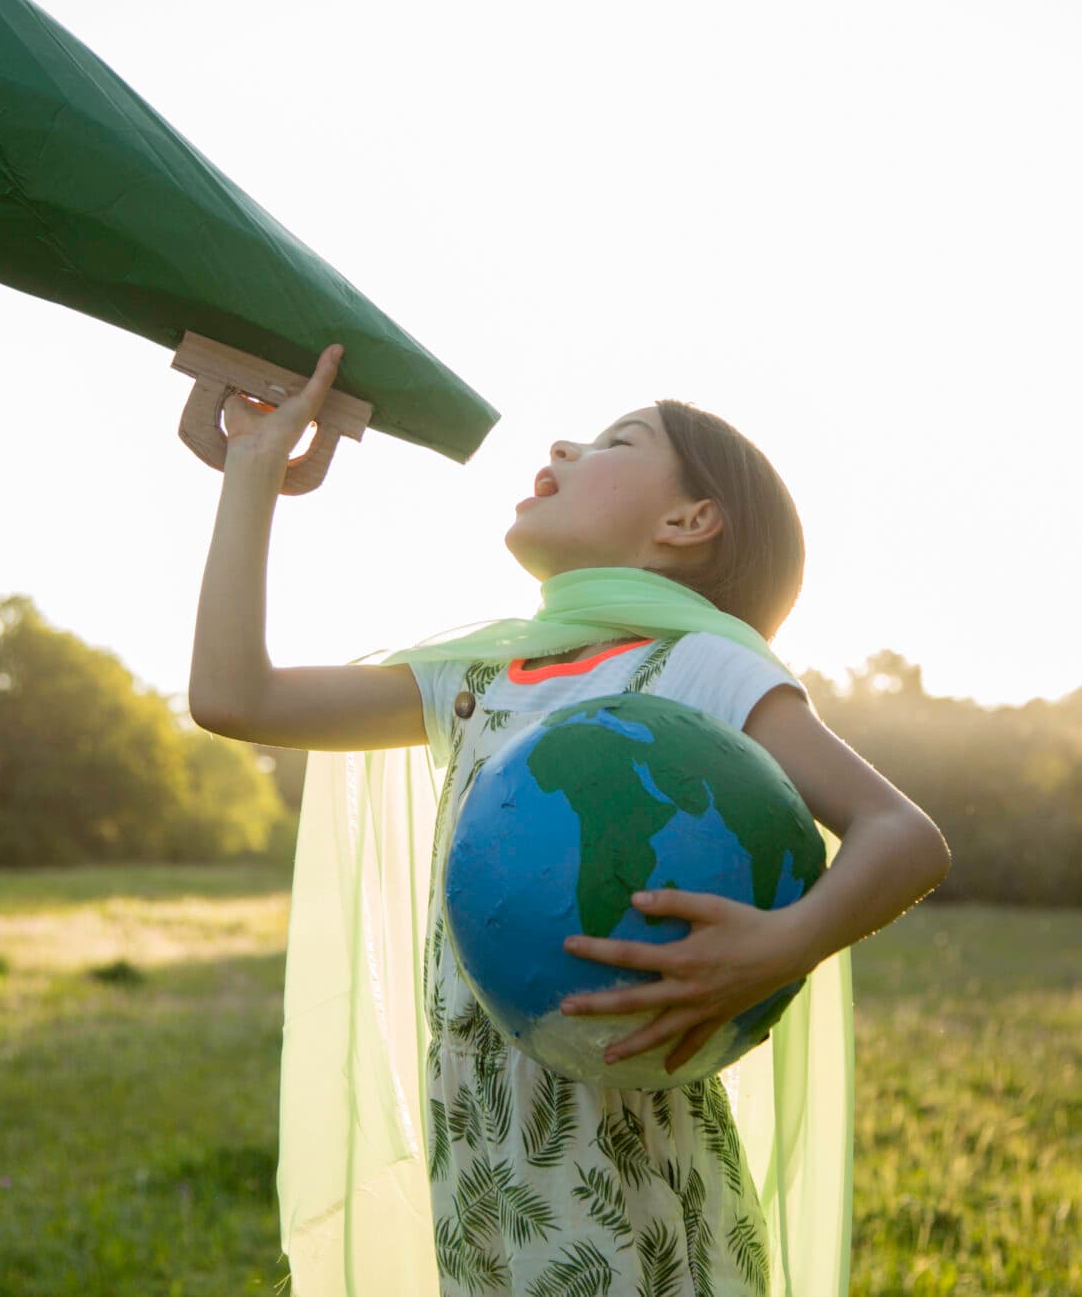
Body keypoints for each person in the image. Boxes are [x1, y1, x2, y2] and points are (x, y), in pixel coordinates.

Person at [189, 343, 951, 1297]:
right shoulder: (482, 679)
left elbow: (903, 834)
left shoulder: (705, 668)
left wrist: (779, 945)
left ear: (689, 520)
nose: (562, 444)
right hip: (479, 1142)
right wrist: (254, 469)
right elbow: (234, 696)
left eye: (616, 441)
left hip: (624, 1152)